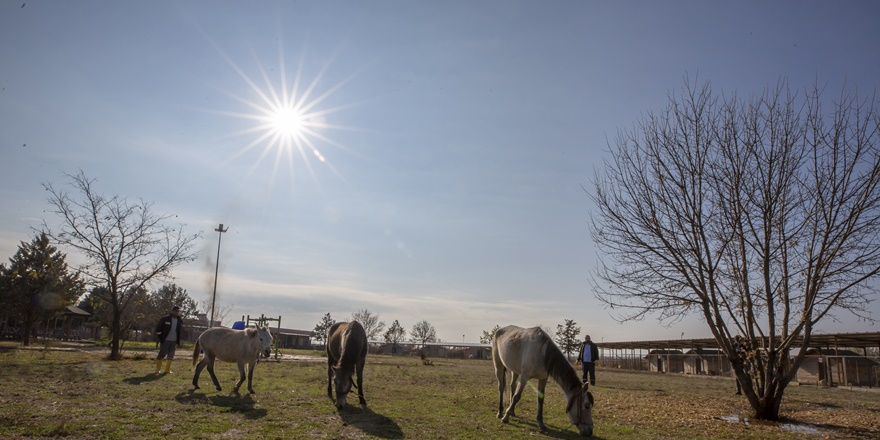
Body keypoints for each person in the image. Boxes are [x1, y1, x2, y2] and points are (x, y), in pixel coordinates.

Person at [154, 305, 183, 374]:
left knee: (171, 355)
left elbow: (179, 331)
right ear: (172, 311)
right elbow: (158, 329)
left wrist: (178, 340)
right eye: (175, 311)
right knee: (162, 354)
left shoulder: (180, 321)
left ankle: (167, 370)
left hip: (174, 340)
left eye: (178, 311)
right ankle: (158, 369)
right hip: (165, 340)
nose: (176, 312)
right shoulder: (165, 319)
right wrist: (161, 338)